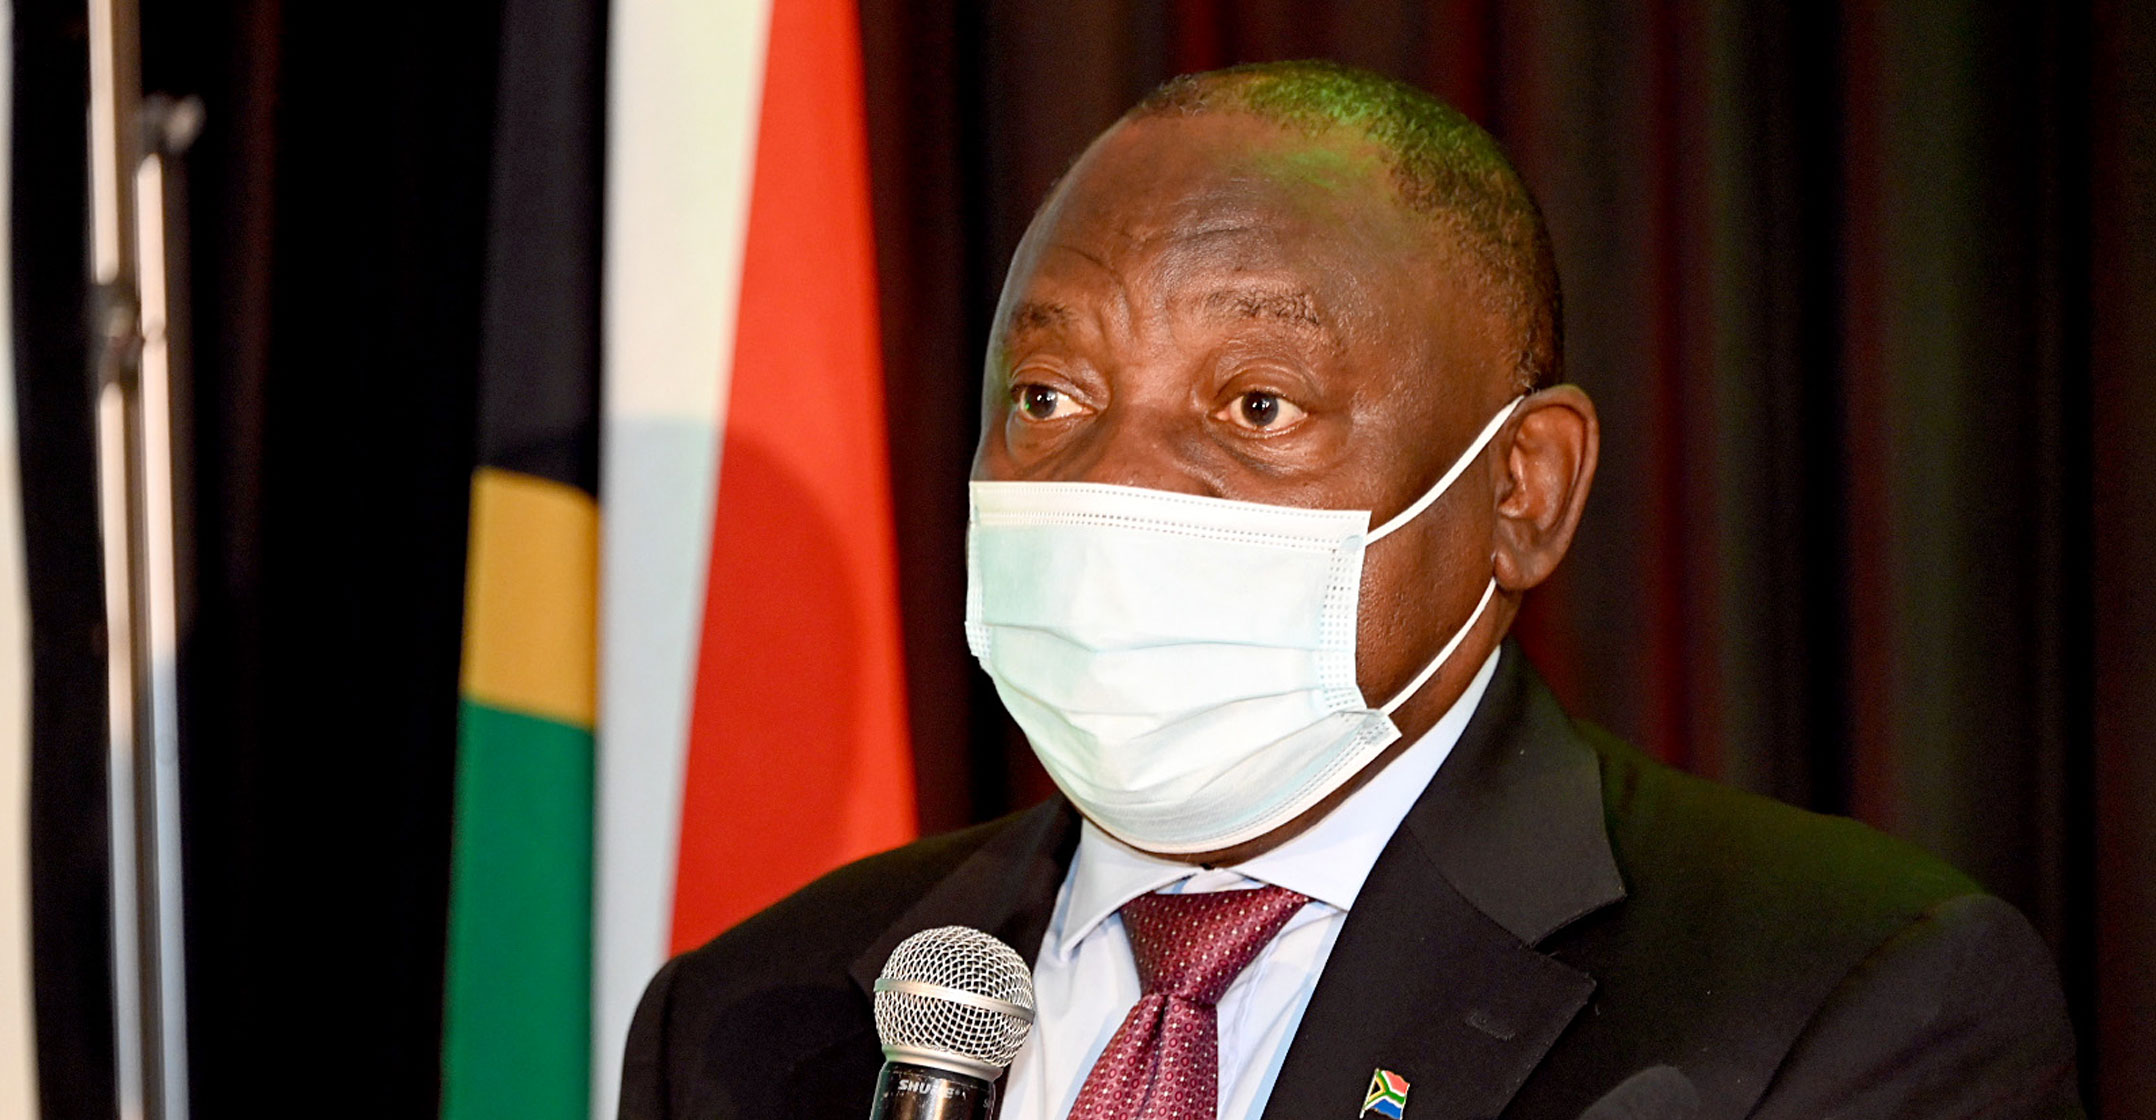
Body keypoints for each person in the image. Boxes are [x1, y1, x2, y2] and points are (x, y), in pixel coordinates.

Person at [618, 61, 2081, 1120]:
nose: (1117, 485)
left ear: (1521, 492)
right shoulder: (752, 1022)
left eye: (1256, 406)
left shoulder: (1840, 999)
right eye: (1051, 397)